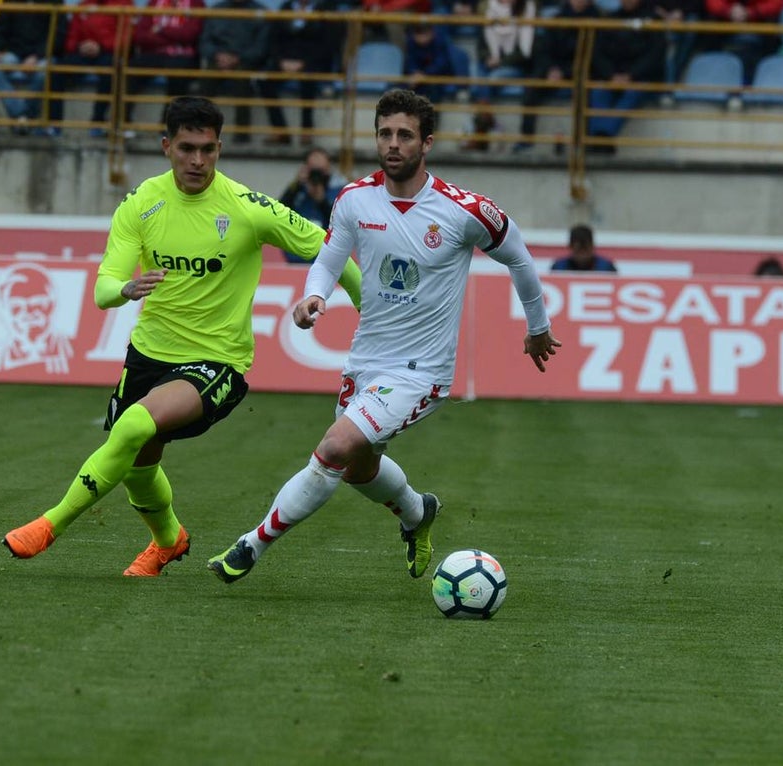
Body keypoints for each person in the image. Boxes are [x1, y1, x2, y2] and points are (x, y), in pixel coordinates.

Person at [206, 89, 560, 584]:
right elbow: (330, 258)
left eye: (404, 135)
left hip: (421, 374)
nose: (393, 144)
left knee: (334, 448)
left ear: (426, 143)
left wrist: (537, 327)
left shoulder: (464, 210)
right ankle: (418, 514)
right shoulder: (354, 200)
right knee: (357, 468)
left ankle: (251, 545)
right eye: (385, 133)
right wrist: (315, 295)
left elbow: (519, 257)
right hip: (366, 361)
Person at [1, 96, 363, 576]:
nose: (198, 161)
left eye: (208, 149)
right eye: (188, 148)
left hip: (217, 363)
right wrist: (126, 287)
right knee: (136, 466)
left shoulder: (246, 207)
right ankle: (168, 540)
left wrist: (369, 314)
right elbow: (104, 287)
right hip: (148, 355)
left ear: (219, 148)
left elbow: (329, 248)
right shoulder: (141, 204)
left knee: (131, 426)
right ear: (166, 146)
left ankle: (50, 526)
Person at [513, 0, 600, 152]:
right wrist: (551, 69)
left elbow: (593, 56)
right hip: (553, 70)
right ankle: (526, 138)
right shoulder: (557, 19)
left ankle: (582, 142)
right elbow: (544, 50)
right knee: (532, 87)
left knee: (586, 91)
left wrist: (565, 71)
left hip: (580, 72)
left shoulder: (599, 21)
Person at [586, 0, 666, 154]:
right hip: (612, 77)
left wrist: (631, 75)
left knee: (632, 92)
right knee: (597, 91)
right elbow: (598, 53)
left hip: (641, 78)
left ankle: (601, 137)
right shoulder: (610, 19)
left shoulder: (653, 20)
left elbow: (655, 55)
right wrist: (611, 75)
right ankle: (600, 139)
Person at [260, 0, 343, 147]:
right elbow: (273, 40)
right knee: (264, 82)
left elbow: (328, 44)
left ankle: (307, 130)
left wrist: (304, 62)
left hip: (312, 61)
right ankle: (281, 131)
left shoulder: (326, 9)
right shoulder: (285, 8)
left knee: (308, 80)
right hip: (284, 61)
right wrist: (281, 61)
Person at [48, 0, 133, 137]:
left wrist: (101, 46)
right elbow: (71, 38)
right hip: (83, 51)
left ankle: (97, 123)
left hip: (108, 52)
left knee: (110, 74)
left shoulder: (124, 5)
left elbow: (126, 37)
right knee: (57, 71)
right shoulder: (83, 6)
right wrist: (79, 46)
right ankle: (54, 124)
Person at [197, 0, 273, 144]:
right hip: (218, 59)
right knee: (205, 81)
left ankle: (242, 135)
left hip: (245, 61)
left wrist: (238, 58)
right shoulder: (215, 11)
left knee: (242, 81)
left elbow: (261, 47)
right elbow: (204, 42)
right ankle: (201, 132)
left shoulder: (262, 13)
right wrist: (217, 55)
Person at [0, 0, 64, 134]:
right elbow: (0, 29)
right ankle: (24, 115)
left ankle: (21, 118)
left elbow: (58, 35)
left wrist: (37, 56)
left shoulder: (55, 2)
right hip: (15, 52)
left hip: (42, 55)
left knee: (43, 73)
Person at [127, 0, 205, 127]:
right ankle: (124, 124)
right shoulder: (154, 3)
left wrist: (160, 29)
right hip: (154, 53)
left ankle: (169, 125)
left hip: (183, 55)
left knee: (179, 74)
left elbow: (189, 35)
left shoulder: (196, 4)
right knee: (130, 70)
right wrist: (173, 37)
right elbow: (140, 36)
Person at [276, 146, 347, 263]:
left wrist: (322, 201)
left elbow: (342, 224)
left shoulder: (339, 191)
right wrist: (296, 185)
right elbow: (278, 211)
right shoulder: (298, 189)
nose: (316, 177)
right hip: (296, 255)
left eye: (321, 171)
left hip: (325, 257)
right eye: (313, 171)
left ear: (328, 169)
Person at [550, 224, 618, 271]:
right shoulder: (559, 268)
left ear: (592, 246)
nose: (582, 256)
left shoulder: (606, 268)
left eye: (586, 249)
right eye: (578, 250)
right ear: (570, 247)